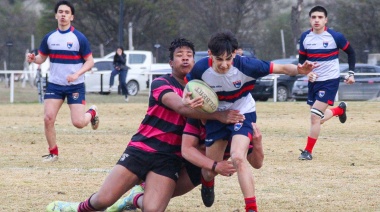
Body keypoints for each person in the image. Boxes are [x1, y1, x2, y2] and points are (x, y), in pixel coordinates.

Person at [46, 38, 245, 212]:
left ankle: (134, 198)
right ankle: (75, 208)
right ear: (170, 62)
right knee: (104, 199)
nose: (185, 58)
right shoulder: (161, 83)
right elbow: (181, 107)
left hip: (169, 158)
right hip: (142, 149)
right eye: (179, 55)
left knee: (152, 208)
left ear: (195, 61)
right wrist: (218, 115)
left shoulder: (205, 91)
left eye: (189, 55)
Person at [185, 30, 318, 212]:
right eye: (219, 59)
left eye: (228, 59)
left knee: (238, 157)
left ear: (235, 54)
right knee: (209, 170)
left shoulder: (247, 66)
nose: (224, 65)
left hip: (243, 112)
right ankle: (208, 182)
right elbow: (188, 86)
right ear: (210, 54)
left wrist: (300, 70)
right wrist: (188, 99)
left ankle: (251, 208)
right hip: (217, 115)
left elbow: (281, 68)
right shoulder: (201, 68)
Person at [106, 120, 263, 212]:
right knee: (156, 198)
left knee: (156, 204)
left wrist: (257, 143)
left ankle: (135, 198)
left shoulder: (237, 125)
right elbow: (187, 150)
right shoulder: (197, 116)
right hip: (178, 158)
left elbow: (256, 164)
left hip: (198, 169)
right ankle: (208, 180)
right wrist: (214, 166)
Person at [26, 0, 98, 163]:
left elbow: (90, 61)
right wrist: (33, 59)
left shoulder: (79, 38)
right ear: (56, 15)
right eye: (60, 12)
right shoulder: (49, 38)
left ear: (71, 17)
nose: (63, 15)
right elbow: (41, 58)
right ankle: (53, 153)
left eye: (66, 12)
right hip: (55, 85)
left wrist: (76, 74)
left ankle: (92, 112)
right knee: (48, 118)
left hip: (75, 85)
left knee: (79, 123)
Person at [298, 5, 356, 161]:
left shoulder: (335, 36)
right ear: (310, 19)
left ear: (325, 20)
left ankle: (307, 151)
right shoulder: (305, 37)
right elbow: (302, 61)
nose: (317, 20)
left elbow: (351, 52)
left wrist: (351, 73)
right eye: (314, 17)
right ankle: (339, 110)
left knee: (314, 117)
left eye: (320, 17)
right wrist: (308, 73)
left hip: (329, 81)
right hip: (313, 82)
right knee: (318, 118)